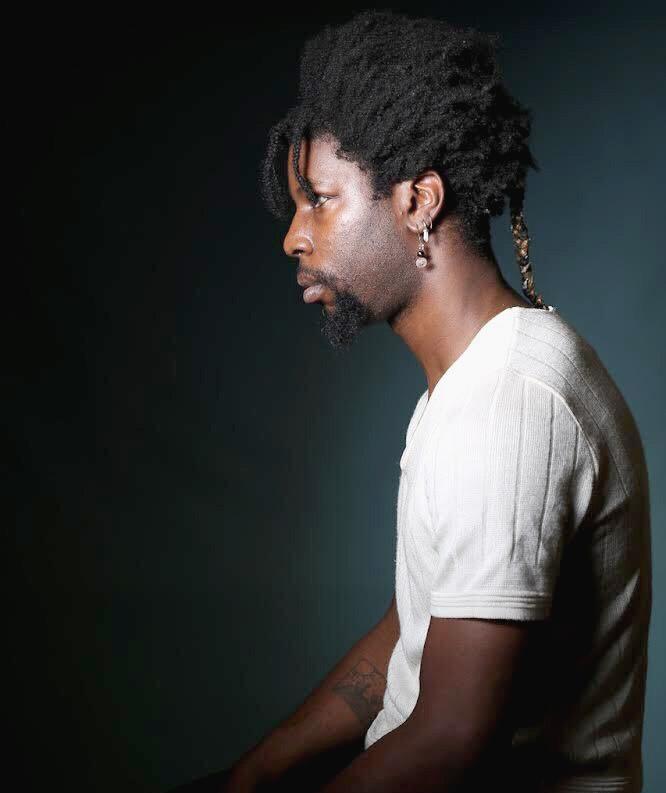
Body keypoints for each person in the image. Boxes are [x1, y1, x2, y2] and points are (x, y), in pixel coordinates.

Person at [169, 9, 652, 792]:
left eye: (320, 200)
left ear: (418, 200)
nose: (294, 236)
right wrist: (255, 772)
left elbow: (451, 741)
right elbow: (413, 629)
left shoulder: (507, 403)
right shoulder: (470, 383)